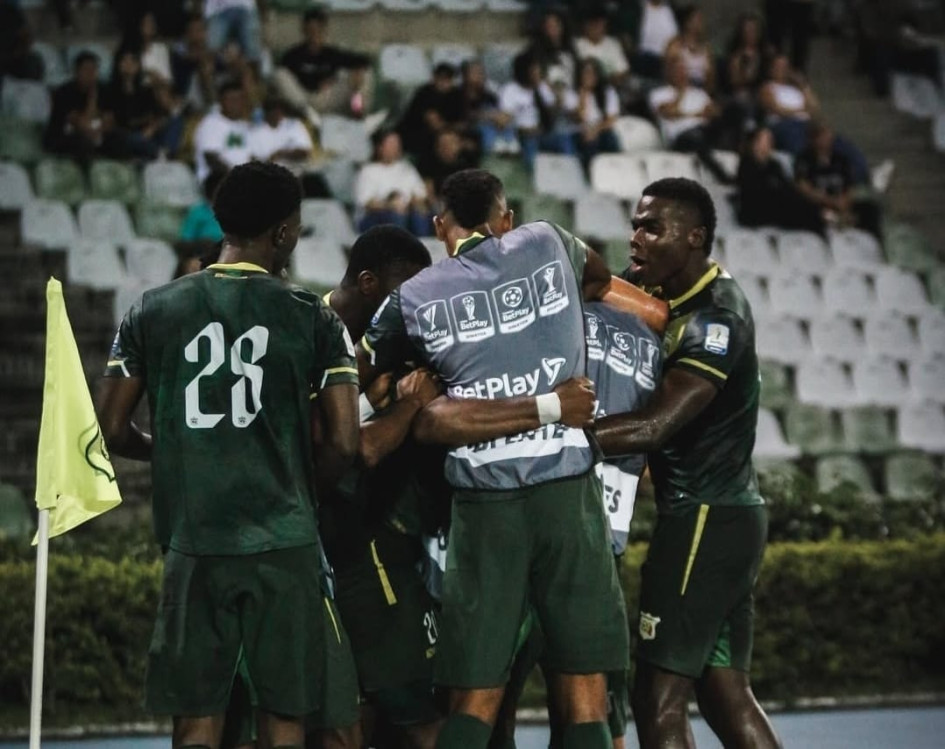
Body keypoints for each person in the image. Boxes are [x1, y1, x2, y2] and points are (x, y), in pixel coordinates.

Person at [96, 161, 363, 749]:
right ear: (284, 233)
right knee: (284, 717)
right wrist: (298, 489)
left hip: (194, 541)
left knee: (196, 719)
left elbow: (112, 429)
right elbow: (345, 441)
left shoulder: (151, 308)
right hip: (283, 541)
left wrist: (174, 455)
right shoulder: (312, 314)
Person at [360, 168, 628, 749]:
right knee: (585, 694)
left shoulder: (413, 296)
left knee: (474, 697)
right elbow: (602, 279)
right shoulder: (549, 240)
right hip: (569, 498)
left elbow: (369, 379)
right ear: (505, 219)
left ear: (439, 228)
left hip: (484, 508)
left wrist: (403, 387)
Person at [592, 177, 783, 749]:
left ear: (695, 237)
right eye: (634, 224)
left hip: (704, 519)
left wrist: (546, 427)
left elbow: (654, 427)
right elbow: (596, 283)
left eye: (652, 227)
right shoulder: (660, 291)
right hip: (725, 516)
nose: (636, 237)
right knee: (726, 696)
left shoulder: (715, 319)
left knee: (656, 702)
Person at [321, 225, 447, 749]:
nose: (413, 308)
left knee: (360, 719)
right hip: (351, 550)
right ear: (369, 283)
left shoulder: (388, 343)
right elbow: (355, 447)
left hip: (354, 546)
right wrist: (405, 403)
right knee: (418, 716)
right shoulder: (314, 332)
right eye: (405, 294)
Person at [273, 6, 374, 126]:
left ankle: (358, 113)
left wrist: (337, 79)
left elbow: (364, 60)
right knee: (278, 75)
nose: (314, 35)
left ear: (324, 31)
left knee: (364, 73)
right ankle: (308, 115)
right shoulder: (293, 55)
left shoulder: (332, 54)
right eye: (310, 31)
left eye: (318, 31)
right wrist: (316, 83)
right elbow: (286, 79)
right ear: (304, 31)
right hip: (304, 100)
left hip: (327, 99)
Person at [649, 57, 734, 183]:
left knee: (728, 118)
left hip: (705, 131)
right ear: (669, 73)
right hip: (680, 137)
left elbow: (714, 112)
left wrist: (684, 114)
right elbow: (669, 112)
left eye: (684, 71)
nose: (682, 74)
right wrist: (681, 95)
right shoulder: (659, 93)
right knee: (695, 137)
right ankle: (723, 176)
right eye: (677, 70)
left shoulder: (699, 93)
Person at [794, 121, 883, 237]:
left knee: (870, 208)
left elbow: (850, 186)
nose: (826, 139)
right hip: (820, 203)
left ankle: (874, 241)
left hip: (841, 202)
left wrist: (845, 202)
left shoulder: (840, 159)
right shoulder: (803, 160)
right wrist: (830, 201)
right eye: (821, 136)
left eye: (827, 135)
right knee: (809, 210)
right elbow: (804, 188)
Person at [736, 125, 825, 235]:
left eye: (770, 141)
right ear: (754, 143)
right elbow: (756, 192)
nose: (769, 144)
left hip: (775, 207)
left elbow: (786, 186)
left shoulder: (774, 165)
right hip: (757, 210)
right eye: (765, 140)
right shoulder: (746, 166)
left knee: (804, 205)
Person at [499, 51, 575, 171]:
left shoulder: (542, 87)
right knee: (531, 149)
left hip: (543, 133)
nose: (537, 72)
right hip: (524, 135)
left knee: (564, 138)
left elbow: (553, 112)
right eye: (534, 70)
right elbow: (505, 121)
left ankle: (570, 172)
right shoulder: (510, 90)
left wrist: (556, 94)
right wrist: (527, 130)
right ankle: (534, 179)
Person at [44, 51, 123, 165]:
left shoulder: (104, 89)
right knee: (83, 142)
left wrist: (99, 130)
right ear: (76, 72)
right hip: (64, 136)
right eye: (86, 70)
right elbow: (81, 124)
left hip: (96, 133)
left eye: (94, 70)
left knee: (118, 139)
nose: (91, 74)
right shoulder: (64, 92)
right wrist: (92, 98)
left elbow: (109, 121)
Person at [353, 128, 433, 236]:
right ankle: (397, 249)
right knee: (397, 215)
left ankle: (424, 248)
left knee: (421, 213)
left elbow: (420, 194)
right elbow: (367, 203)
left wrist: (416, 203)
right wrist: (390, 206)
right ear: (380, 147)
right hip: (375, 217)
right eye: (391, 144)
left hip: (406, 211)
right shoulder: (368, 171)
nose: (396, 147)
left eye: (397, 143)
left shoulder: (407, 168)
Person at [107, 45, 183, 159]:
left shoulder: (147, 91)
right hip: (129, 137)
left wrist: (152, 128)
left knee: (175, 119)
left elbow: (161, 115)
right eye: (124, 60)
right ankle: (161, 154)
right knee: (129, 139)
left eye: (133, 60)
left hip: (151, 135)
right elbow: (115, 123)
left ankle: (165, 153)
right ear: (118, 65)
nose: (129, 64)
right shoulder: (111, 91)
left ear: (138, 65)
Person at [397, 62, 466, 162]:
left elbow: (462, 123)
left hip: (448, 132)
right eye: (442, 78)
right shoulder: (425, 93)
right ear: (434, 78)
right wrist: (451, 134)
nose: (445, 82)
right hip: (418, 131)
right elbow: (434, 123)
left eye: (448, 79)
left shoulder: (456, 95)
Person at [565, 57, 621, 172]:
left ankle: (616, 171)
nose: (589, 76)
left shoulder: (608, 92)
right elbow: (578, 118)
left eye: (593, 73)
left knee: (611, 138)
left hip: (600, 130)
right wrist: (583, 94)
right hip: (578, 132)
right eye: (586, 73)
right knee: (588, 141)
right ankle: (590, 174)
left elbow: (611, 120)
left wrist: (595, 130)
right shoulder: (571, 93)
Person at [193, 81, 255, 182]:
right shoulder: (210, 123)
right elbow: (211, 158)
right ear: (221, 101)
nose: (236, 104)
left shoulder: (244, 125)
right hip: (218, 181)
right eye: (232, 100)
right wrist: (236, 176)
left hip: (244, 181)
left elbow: (252, 155)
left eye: (239, 100)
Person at [575, 6, 632, 95]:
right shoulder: (577, 44)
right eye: (592, 24)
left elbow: (623, 71)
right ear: (585, 25)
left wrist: (609, 80)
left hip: (610, 89)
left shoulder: (613, 44)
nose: (595, 28)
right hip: (584, 90)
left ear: (604, 25)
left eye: (599, 24)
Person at [169, 13, 218, 112]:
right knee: (203, 68)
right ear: (187, 34)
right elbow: (188, 57)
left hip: (214, 90)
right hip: (187, 97)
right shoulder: (178, 52)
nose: (196, 35)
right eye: (192, 31)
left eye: (199, 30)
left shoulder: (213, 48)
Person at [665, 6, 717, 94]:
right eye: (698, 19)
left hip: (701, 90)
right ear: (687, 23)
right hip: (680, 89)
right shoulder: (675, 46)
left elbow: (711, 78)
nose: (701, 23)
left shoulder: (706, 48)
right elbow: (668, 73)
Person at [204, 0, 263, 64]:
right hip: (218, 9)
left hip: (245, 6)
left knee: (253, 52)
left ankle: (255, 70)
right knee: (212, 49)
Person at [634, 0, 679, 80]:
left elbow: (675, 37)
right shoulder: (640, 8)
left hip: (664, 58)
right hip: (644, 57)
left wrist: (667, 56)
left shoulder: (668, 10)